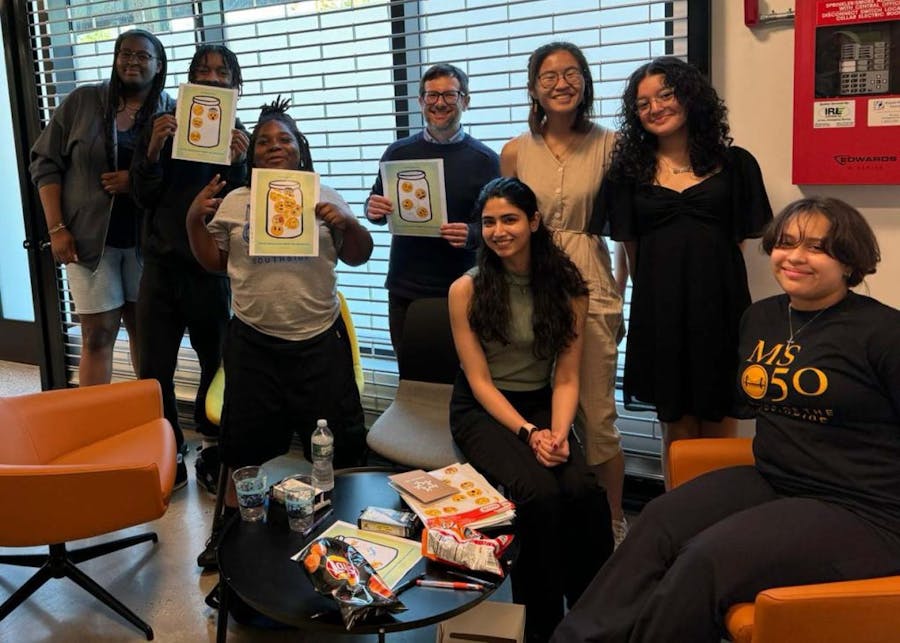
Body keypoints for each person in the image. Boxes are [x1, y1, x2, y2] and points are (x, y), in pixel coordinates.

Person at [552, 197, 900, 642]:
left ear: (850, 261)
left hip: (864, 508)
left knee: (705, 559)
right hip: (775, 479)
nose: (794, 256)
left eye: (817, 247)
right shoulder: (762, 318)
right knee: (657, 522)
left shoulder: (883, 332)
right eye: (786, 242)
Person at [186, 98, 371, 562]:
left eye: (284, 139)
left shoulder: (325, 195)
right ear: (252, 155)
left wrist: (346, 223)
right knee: (240, 446)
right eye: (264, 141)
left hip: (318, 342)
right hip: (253, 344)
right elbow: (214, 262)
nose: (274, 146)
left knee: (340, 447)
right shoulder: (235, 200)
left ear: (300, 149)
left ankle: (342, 529)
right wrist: (193, 219)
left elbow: (359, 254)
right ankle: (229, 531)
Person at [595, 56, 772, 487]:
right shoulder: (627, 174)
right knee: (675, 423)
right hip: (661, 310)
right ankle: (678, 520)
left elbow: (737, 240)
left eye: (665, 95)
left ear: (690, 97)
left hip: (722, 308)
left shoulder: (736, 165)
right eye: (642, 103)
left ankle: (720, 522)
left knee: (721, 419)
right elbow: (629, 247)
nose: (654, 107)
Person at [449, 177, 613, 643]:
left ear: (534, 222)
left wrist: (558, 433)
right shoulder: (466, 289)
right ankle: (541, 625)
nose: (498, 230)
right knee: (538, 494)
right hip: (483, 408)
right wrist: (528, 433)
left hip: (544, 403)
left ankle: (592, 615)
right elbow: (479, 382)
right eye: (489, 222)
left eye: (509, 219)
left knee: (583, 489)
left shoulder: (568, 288)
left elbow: (566, 376)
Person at [500, 42, 626, 545]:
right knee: (532, 404)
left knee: (596, 417)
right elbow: (503, 223)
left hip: (591, 285)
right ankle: (546, 518)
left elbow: (627, 230)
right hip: (528, 286)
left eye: (571, 73)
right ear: (533, 87)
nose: (560, 83)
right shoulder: (515, 150)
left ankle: (613, 524)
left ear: (585, 82)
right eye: (548, 76)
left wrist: (618, 292)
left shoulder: (611, 144)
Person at [130, 45, 249, 489]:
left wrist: (239, 165)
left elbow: (242, 209)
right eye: (203, 70)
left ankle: (216, 450)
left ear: (235, 82)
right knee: (154, 371)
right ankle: (169, 453)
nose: (212, 77)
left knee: (217, 367)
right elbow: (142, 196)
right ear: (189, 78)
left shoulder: (240, 135)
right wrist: (155, 148)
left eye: (222, 71)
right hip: (161, 268)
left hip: (211, 272)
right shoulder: (164, 125)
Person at [30, 29, 173, 386]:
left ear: (158, 66)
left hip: (147, 243)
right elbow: (45, 163)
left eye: (143, 56)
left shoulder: (171, 111)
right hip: (91, 244)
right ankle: (93, 424)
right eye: (125, 53)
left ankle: (146, 422)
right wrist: (56, 229)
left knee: (147, 336)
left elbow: (183, 176)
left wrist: (135, 179)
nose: (132, 61)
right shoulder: (83, 101)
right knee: (97, 335)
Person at [365, 63, 499, 361]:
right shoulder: (398, 153)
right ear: (420, 102)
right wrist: (373, 209)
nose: (440, 103)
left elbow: (497, 225)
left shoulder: (486, 160)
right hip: (406, 288)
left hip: (465, 287)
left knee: (468, 375)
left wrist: (472, 233)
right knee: (412, 380)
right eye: (431, 95)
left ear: (465, 100)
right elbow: (376, 202)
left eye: (450, 95)